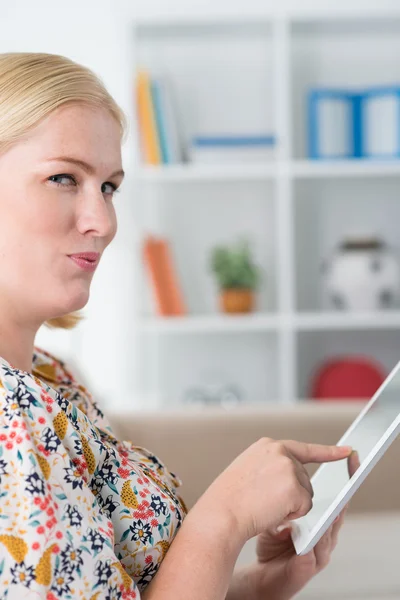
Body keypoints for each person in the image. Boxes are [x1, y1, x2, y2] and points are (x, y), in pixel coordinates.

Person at [0, 52, 357, 600]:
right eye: (63, 178)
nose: (104, 221)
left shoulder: (54, 378)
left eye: (110, 186)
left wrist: (254, 588)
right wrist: (223, 521)